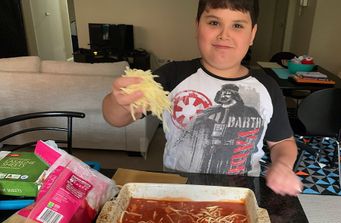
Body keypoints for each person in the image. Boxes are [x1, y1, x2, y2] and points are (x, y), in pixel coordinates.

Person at [103, 0, 302, 196]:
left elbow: (282, 142)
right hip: (179, 190)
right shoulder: (172, 75)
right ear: (197, 26)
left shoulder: (268, 87)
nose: (224, 35)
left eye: (237, 25)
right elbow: (115, 118)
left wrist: (283, 165)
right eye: (214, 23)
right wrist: (118, 102)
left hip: (242, 193)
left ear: (252, 35)